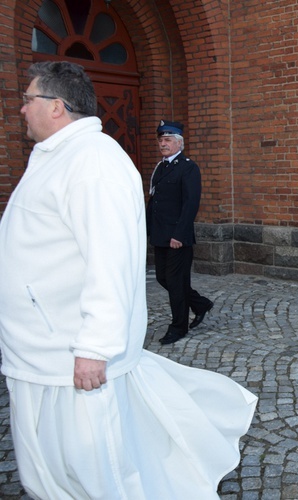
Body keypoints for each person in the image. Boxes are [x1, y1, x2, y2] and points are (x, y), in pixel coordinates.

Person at [0, 61, 257, 499]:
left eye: (28, 100)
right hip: (40, 343)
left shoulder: (93, 161)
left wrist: (95, 346)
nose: (21, 109)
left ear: (57, 107)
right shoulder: (57, 155)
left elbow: (110, 257)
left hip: (66, 346)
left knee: (93, 464)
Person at [147, 120, 214, 344]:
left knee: (175, 282)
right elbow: (154, 201)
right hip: (160, 234)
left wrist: (179, 234)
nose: (162, 144)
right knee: (163, 277)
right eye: (160, 140)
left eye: (167, 140)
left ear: (179, 143)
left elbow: (190, 204)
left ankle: (179, 327)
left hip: (177, 237)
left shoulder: (188, 167)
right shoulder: (161, 167)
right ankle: (200, 303)